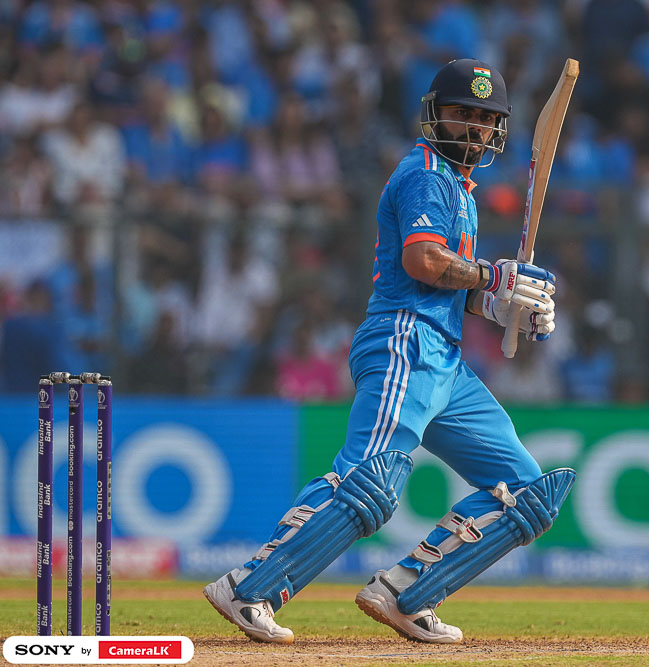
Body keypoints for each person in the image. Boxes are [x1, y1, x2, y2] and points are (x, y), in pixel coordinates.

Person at [203, 59, 573, 645]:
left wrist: (505, 306)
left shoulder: (460, 190)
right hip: (405, 339)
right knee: (370, 480)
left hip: (444, 356)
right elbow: (422, 262)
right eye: (463, 114)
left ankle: (408, 593)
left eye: (486, 119)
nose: (475, 128)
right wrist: (491, 276)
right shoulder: (425, 174)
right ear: (435, 116)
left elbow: (452, 287)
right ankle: (250, 586)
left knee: (525, 492)